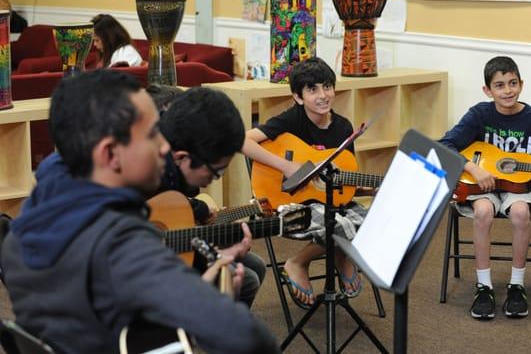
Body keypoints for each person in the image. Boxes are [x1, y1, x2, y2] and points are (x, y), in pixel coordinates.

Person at [0, 69, 279, 353]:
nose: (164, 147)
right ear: (110, 154)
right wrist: (211, 302)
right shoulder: (123, 245)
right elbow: (249, 338)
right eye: (152, 135)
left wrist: (186, 290)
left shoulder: (28, 222)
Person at [439, 56, 531, 320]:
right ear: (488, 90)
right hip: (480, 187)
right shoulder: (478, 115)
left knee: (519, 212)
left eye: (512, 83)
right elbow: (444, 145)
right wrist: (473, 169)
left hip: (518, 189)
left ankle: (516, 286)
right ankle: (484, 287)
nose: (507, 90)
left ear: (521, 84)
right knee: (483, 211)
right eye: (499, 85)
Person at [242, 57, 369, 308]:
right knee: (339, 224)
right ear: (298, 97)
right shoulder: (292, 120)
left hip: (331, 203)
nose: (323, 95)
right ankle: (298, 262)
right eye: (312, 89)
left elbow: (344, 179)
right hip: (291, 206)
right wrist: (287, 166)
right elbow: (242, 140)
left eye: (327, 86)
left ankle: (339, 252)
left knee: (370, 223)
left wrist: (373, 187)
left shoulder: (343, 127)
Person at [156, 86, 267, 308]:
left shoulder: (172, 172)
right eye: (214, 171)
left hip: (165, 251)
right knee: (245, 279)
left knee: (252, 266)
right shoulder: (139, 175)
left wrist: (223, 253)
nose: (213, 180)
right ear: (181, 157)